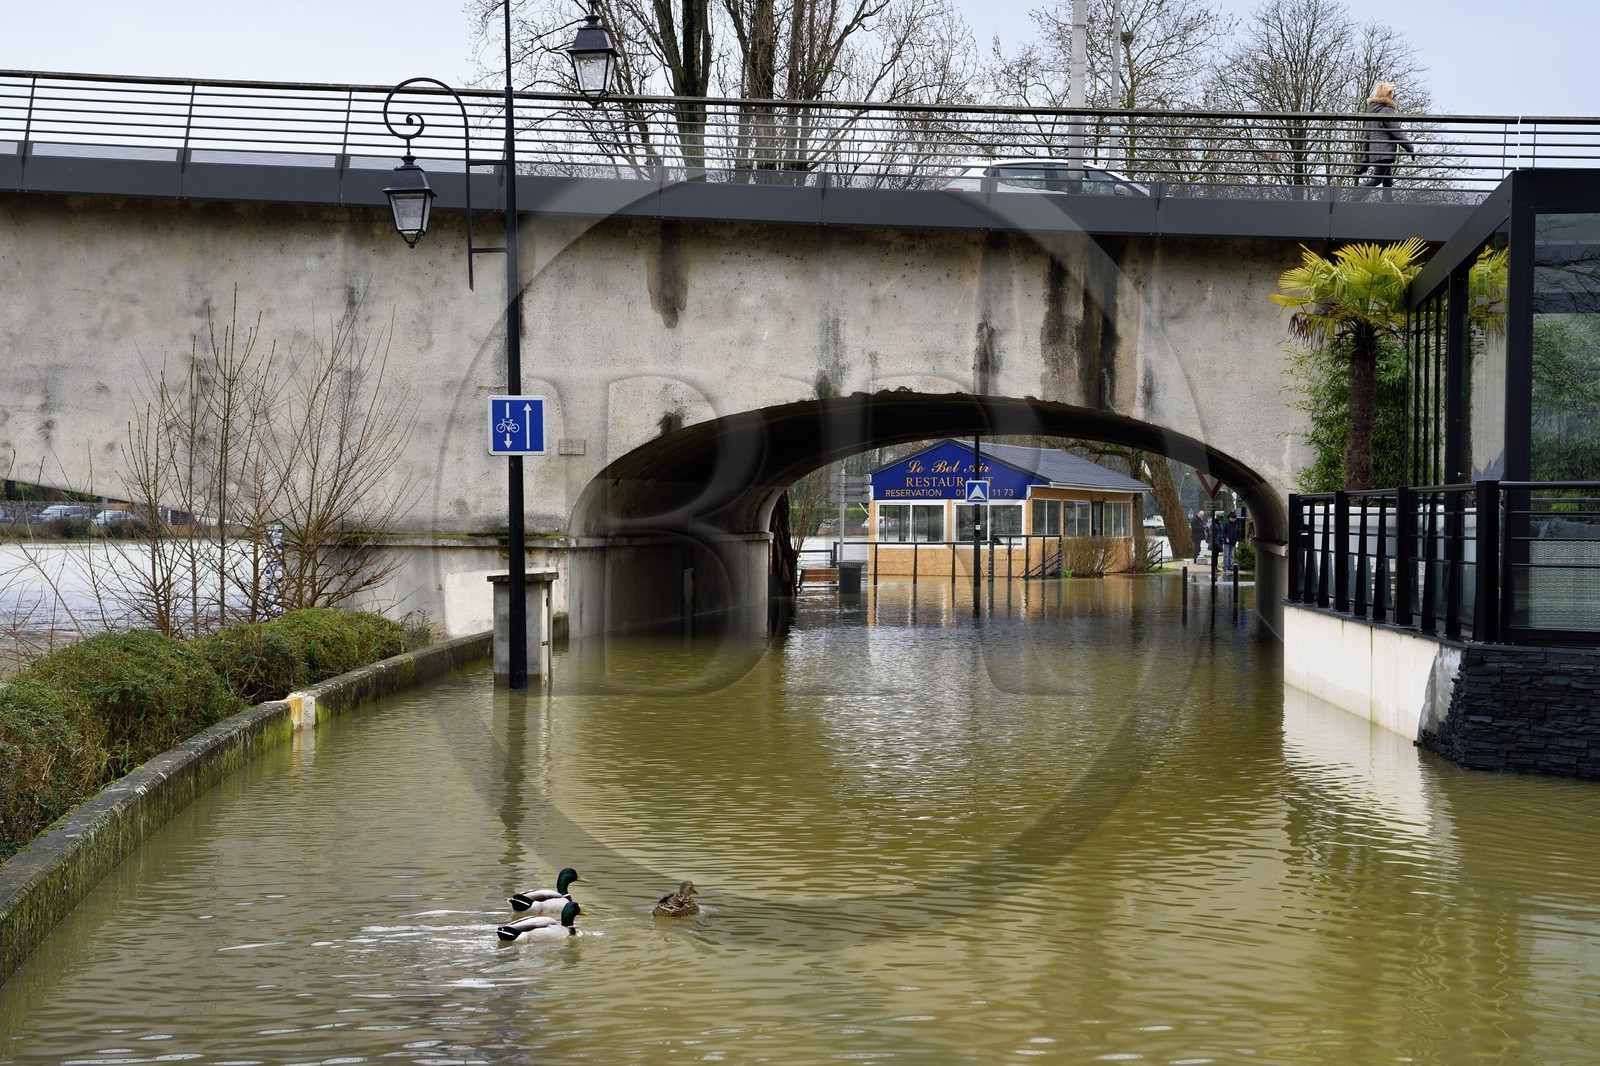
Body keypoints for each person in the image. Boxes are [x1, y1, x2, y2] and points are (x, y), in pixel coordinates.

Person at [1353, 81, 1415, 202]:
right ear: (1386, 94)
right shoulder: (1387, 111)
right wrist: (1409, 147)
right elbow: (1396, 132)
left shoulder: (1370, 113)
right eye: (1391, 93)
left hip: (1376, 154)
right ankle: (1354, 198)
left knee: (1388, 180)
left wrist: (1366, 160)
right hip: (1385, 153)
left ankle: (1389, 204)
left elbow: (1366, 138)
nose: (1392, 96)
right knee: (1377, 179)